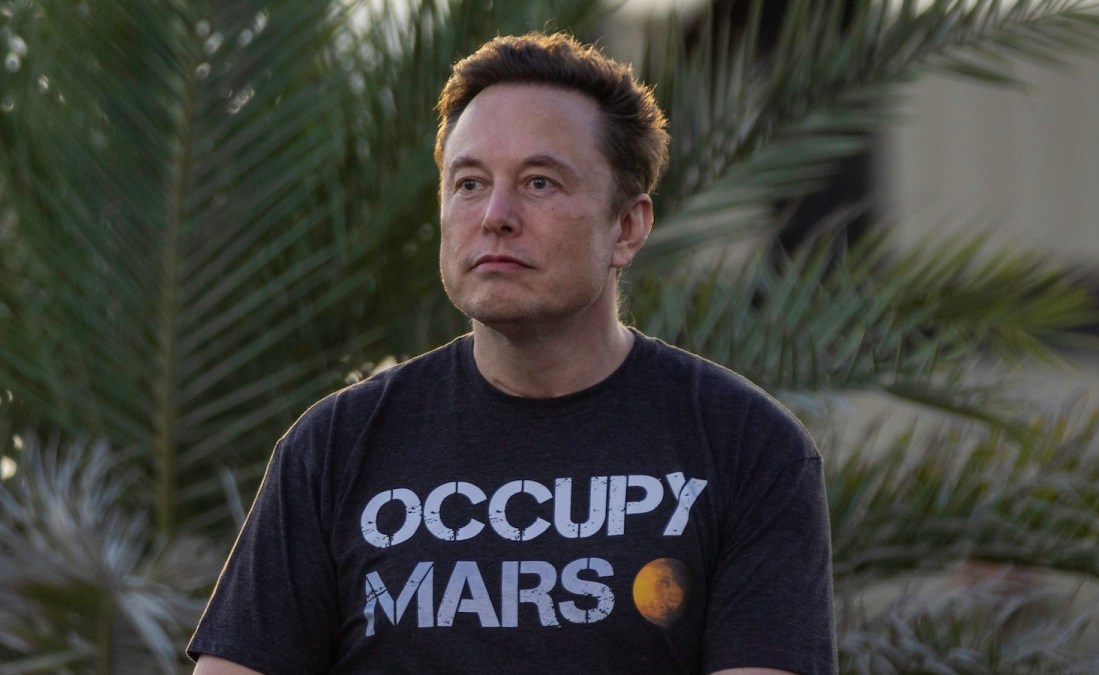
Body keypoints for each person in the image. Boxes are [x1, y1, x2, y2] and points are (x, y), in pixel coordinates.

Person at [188, 31, 835, 674]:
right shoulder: (334, 447)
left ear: (628, 226)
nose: (495, 214)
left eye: (540, 183)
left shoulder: (745, 447)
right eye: (468, 183)